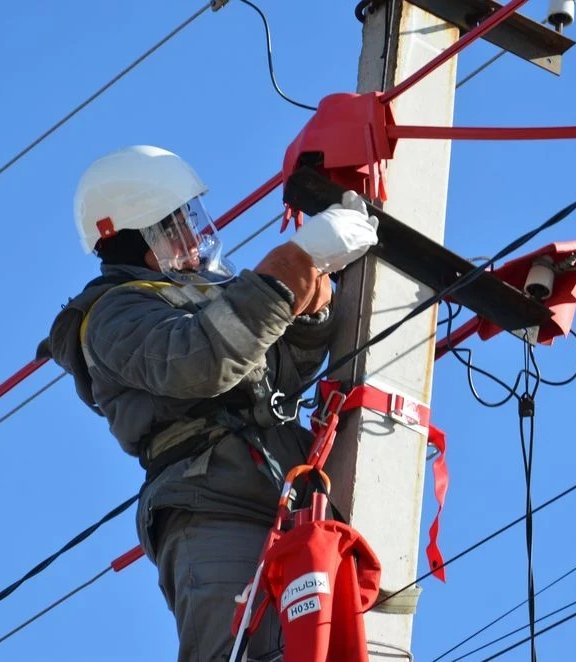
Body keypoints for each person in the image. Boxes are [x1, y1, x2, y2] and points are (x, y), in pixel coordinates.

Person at [41, 145, 378, 661]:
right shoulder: (113, 316)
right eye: (176, 225)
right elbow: (200, 360)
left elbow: (274, 373)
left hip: (289, 508)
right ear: (137, 238)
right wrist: (286, 273)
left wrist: (310, 310)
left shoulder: (198, 292)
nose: (195, 237)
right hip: (213, 510)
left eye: (192, 219)